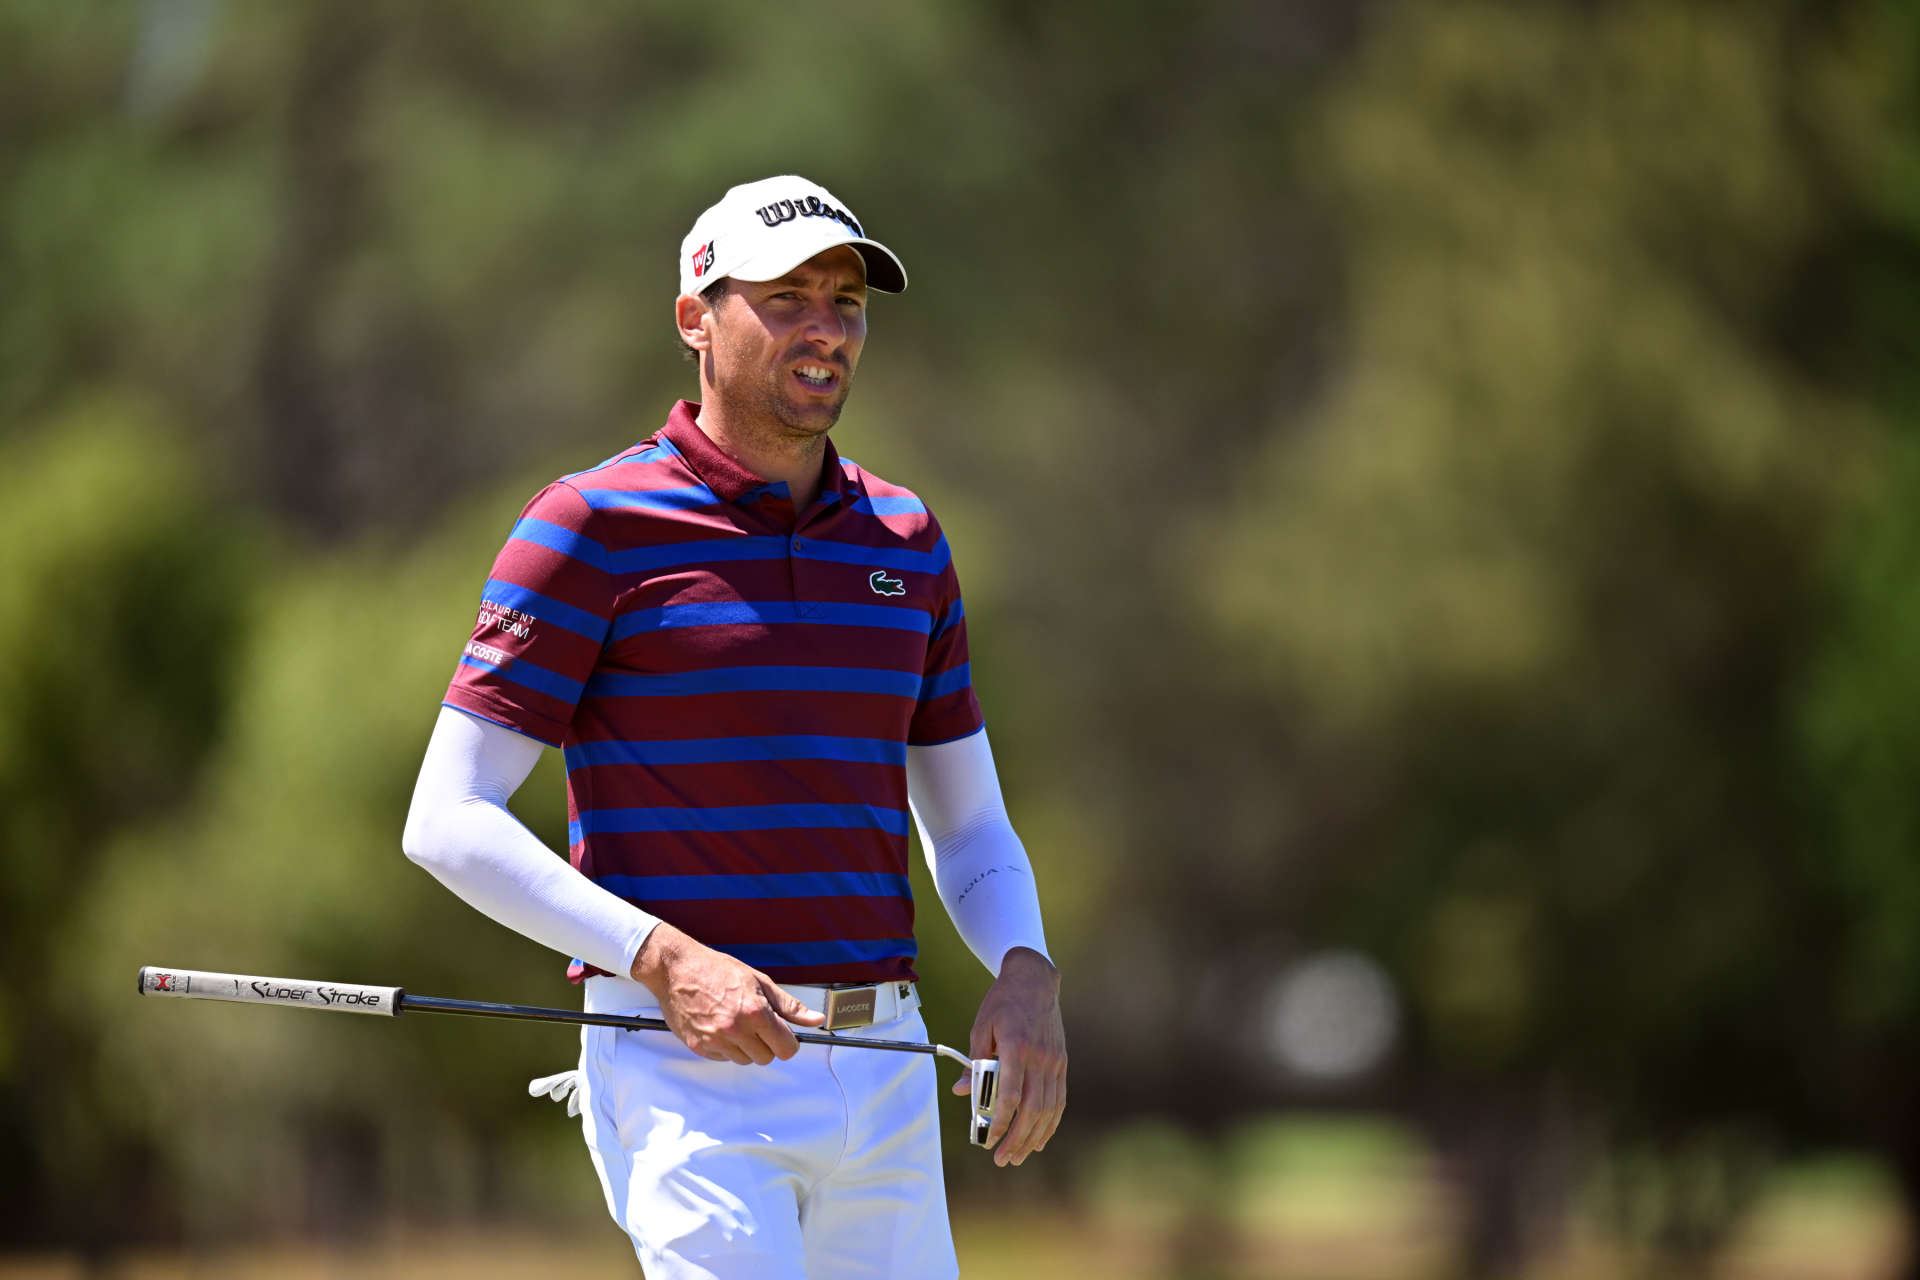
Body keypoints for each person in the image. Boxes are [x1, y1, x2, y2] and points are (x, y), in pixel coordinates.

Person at [401, 175, 1066, 1279]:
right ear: (695, 317)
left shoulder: (905, 537)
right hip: (685, 1067)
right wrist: (659, 959)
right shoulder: (590, 525)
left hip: (888, 1062)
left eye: (846, 301)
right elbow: (447, 816)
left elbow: (972, 824)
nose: (826, 329)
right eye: (786, 296)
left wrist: (1027, 967)